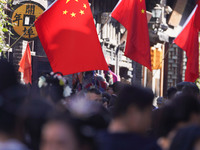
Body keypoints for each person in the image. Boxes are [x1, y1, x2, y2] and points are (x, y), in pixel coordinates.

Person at [96, 85, 161, 150]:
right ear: (132, 111)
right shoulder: (147, 146)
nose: (149, 120)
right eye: (147, 113)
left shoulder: (93, 142)